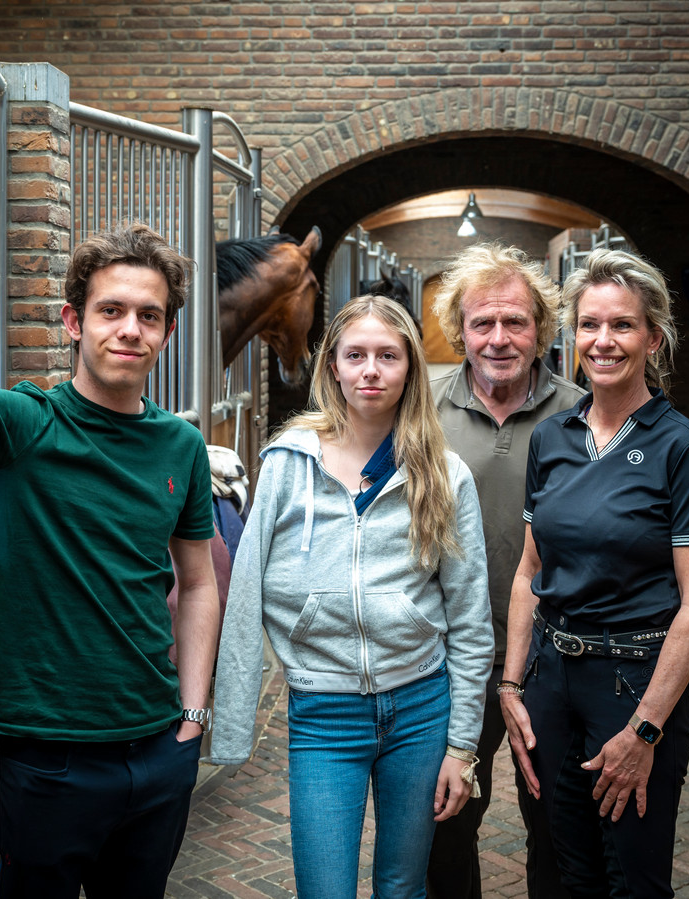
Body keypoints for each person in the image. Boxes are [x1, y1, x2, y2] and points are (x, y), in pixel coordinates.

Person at [0, 224, 221, 898]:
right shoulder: (26, 424)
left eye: (149, 316)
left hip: (158, 745)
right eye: (111, 310)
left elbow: (198, 582)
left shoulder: (182, 445)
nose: (130, 329)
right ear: (74, 322)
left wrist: (193, 716)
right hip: (50, 758)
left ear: (167, 332)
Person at [211, 295, 494, 899]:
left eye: (388, 356)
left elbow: (471, 620)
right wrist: (231, 727)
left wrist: (462, 746)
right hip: (323, 713)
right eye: (356, 355)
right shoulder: (288, 463)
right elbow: (244, 597)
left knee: (402, 886)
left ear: (410, 368)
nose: (371, 370)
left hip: (421, 707)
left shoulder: (444, 474)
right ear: (333, 367)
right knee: (324, 889)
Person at [500, 248, 689, 898]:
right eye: (590, 324)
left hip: (633, 683)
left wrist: (646, 729)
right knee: (568, 872)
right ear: (572, 335)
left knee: (634, 881)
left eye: (622, 325)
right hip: (551, 679)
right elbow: (530, 569)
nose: (603, 341)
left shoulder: (683, 447)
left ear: (653, 337)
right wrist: (512, 684)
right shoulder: (552, 438)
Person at [426, 242, 584, 899]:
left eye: (515, 321)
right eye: (482, 322)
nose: (498, 338)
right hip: (446, 660)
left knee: (557, 829)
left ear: (541, 330)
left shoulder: (584, 414)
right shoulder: (419, 411)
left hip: (552, 661)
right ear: (458, 330)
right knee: (444, 831)